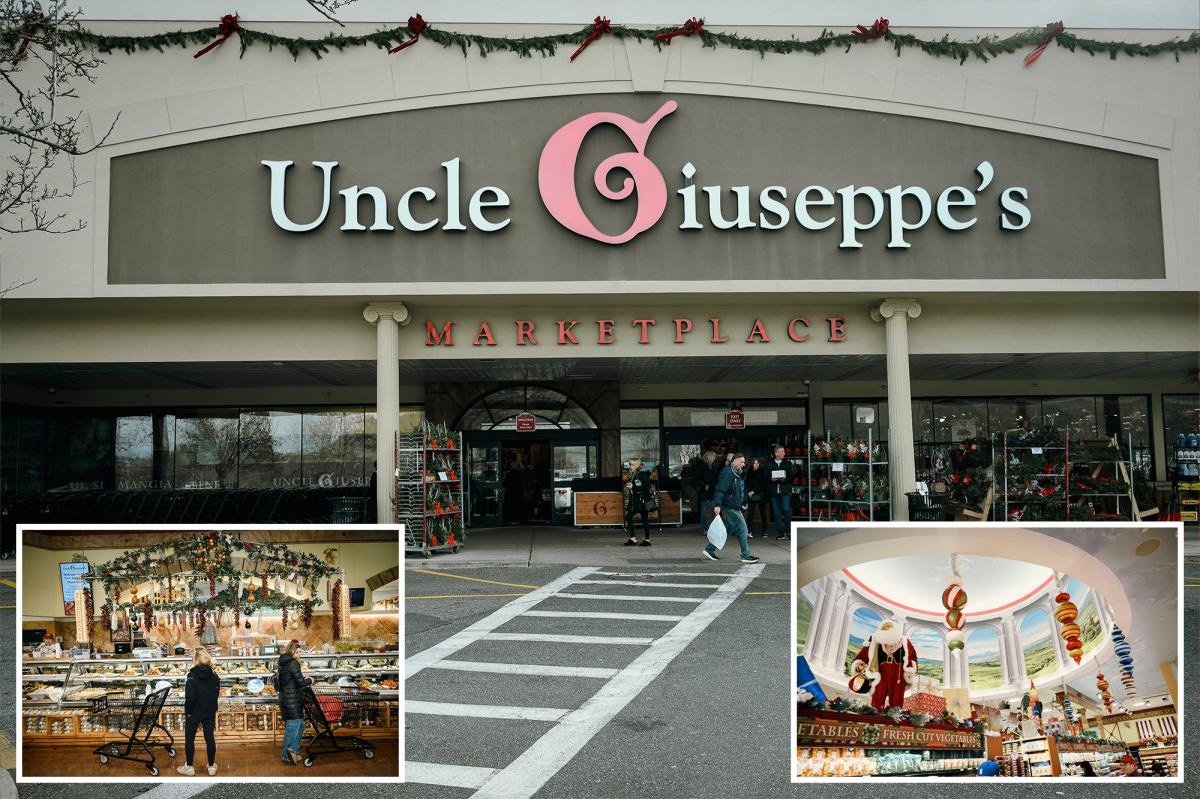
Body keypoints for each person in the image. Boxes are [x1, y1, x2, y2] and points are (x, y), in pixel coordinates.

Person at [849, 617, 918, 711]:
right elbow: (864, 653)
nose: (887, 628)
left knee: (897, 699)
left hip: (898, 673)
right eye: (885, 627)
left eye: (889, 626)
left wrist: (911, 668)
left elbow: (913, 656)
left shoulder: (905, 641)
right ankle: (875, 716)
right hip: (880, 671)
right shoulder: (875, 639)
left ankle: (895, 716)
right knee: (878, 697)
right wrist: (859, 664)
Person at [703, 452, 760, 564]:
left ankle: (709, 550)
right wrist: (718, 505)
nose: (743, 464)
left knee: (726, 530)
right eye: (741, 462)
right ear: (734, 460)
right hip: (730, 507)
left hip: (734, 506)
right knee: (743, 530)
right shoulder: (728, 473)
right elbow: (720, 490)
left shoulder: (735, 473)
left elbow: (738, 491)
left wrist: (742, 503)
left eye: (744, 462)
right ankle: (746, 555)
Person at [176, 649, 219, 776]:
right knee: (209, 738)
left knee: (190, 739)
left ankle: (189, 767)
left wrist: (188, 712)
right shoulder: (215, 675)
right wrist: (212, 708)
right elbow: (216, 694)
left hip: (194, 712)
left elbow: (189, 697)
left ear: (196, 660)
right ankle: (211, 767)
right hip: (209, 712)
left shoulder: (192, 676)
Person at [275, 640, 313, 764]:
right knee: (293, 727)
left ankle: (294, 752)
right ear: (291, 653)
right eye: (297, 652)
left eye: (300, 652)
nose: (299, 654)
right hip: (291, 701)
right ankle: (286, 755)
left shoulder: (284, 663)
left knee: (300, 725)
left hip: (288, 699)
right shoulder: (293, 663)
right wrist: (310, 680)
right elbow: (300, 682)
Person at [622, 457, 653, 546]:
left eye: (633, 464)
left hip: (641, 500)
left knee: (644, 519)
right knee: (629, 516)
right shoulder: (634, 474)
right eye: (630, 464)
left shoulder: (643, 474)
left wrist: (633, 487)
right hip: (635, 500)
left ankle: (646, 540)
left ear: (637, 465)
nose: (631, 466)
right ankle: (634, 538)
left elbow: (646, 487)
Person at [767, 444, 795, 540]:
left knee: (786, 510)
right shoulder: (769, 463)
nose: (784, 453)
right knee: (776, 513)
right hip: (773, 492)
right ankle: (781, 533)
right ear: (776, 453)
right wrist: (771, 479)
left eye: (784, 451)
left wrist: (784, 479)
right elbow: (765, 477)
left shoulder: (787, 463)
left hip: (785, 491)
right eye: (782, 452)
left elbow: (792, 476)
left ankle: (789, 531)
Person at [743, 457, 770, 538]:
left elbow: (763, 484)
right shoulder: (749, 472)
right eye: (754, 463)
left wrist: (753, 491)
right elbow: (747, 483)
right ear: (752, 464)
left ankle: (764, 531)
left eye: (757, 463)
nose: (756, 464)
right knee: (750, 514)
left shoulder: (762, 471)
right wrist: (748, 492)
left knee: (763, 513)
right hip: (751, 495)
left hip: (761, 494)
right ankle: (749, 531)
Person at [695, 450, 720, 533]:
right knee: (704, 511)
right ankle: (705, 528)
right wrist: (704, 484)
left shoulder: (713, 466)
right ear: (710, 457)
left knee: (714, 509)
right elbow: (696, 479)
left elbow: (715, 478)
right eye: (713, 457)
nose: (714, 458)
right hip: (704, 491)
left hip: (712, 490)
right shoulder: (701, 466)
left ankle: (713, 527)